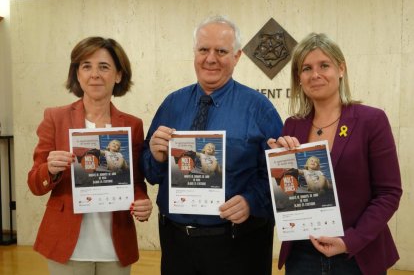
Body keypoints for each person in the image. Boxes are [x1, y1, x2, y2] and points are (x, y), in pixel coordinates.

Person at [141, 15, 283, 275]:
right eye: (204, 50)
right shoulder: (172, 105)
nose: (211, 58)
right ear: (194, 53)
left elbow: (279, 173)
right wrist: (154, 156)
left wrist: (252, 200)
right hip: (176, 244)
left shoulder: (259, 108)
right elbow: (150, 173)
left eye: (221, 51)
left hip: (238, 245)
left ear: (237, 56)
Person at [267, 33, 402, 275]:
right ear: (299, 78)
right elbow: (290, 192)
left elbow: (389, 194)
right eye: (306, 68)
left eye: (324, 65)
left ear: (340, 69)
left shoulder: (371, 120)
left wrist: (350, 241)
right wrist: (279, 164)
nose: (315, 74)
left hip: (356, 255)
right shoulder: (292, 125)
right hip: (302, 255)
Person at [27, 36, 153, 275]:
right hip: (67, 246)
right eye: (86, 66)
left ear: (118, 75)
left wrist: (141, 202)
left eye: (104, 67)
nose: (94, 74)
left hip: (116, 246)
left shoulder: (132, 125)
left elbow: (135, 181)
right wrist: (50, 169)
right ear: (77, 74)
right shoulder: (55, 118)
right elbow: (35, 183)